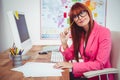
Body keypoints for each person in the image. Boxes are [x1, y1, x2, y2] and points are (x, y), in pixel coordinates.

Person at [54, 2, 114, 80]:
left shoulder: (104, 32)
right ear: (73, 21)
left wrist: (72, 65)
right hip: (87, 74)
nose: (80, 17)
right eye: (75, 16)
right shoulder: (81, 34)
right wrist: (64, 44)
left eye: (82, 13)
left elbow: (99, 64)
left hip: (99, 76)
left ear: (88, 12)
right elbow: (69, 56)